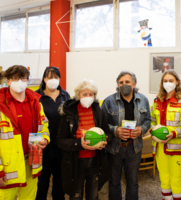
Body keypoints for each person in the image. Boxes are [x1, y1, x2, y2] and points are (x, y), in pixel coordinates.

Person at [0, 65, 50, 200]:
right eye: (15, 78)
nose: (19, 82)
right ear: (8, 81)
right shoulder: (1, 105)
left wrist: (45, 139)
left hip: (32, 162)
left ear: (28, 80)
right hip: (8, 169)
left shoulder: (36, 103)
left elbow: (44, 125)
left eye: (22, 78)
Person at [57, 79, 112, 200]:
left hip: (94, 161)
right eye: (84, 94)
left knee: (93, 195)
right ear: (78, 95)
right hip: (75, 162)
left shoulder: (98, 111)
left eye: (91, 94)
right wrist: (79, 144)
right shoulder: (69, 113)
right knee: (76, 196)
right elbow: (60, 140)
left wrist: (104, 141)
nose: (88, 97)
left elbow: (107, 132)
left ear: (95, 96)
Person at [102, 70, 151, 200]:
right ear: (117, 85)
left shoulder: (143, 100)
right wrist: (115, 130)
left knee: (133, 182)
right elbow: (102, 124)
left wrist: (141, 129)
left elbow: (148, 121)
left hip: (134, 148)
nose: (124, 84)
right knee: (113, 181)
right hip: (114, 148)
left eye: (127, 82)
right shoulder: (108, 101)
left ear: (134, 84)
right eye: (121, 82)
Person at [150, 69, 181, 200]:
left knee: (176, 180)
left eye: (171, 80)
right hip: (160, 147)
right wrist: (153, 130)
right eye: (165, 81)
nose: (168, 83)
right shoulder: (156, 101)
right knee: (164, 179)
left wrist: (174, 134)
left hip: (177, 148)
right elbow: (152, 121)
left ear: (177, 82)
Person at [36, 67, 70, 200]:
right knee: (42, 184)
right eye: (49, 77)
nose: (53, 80)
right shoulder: (36, 96)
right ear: (44, 79)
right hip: (43, 147)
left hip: (61, 147)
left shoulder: (65, 95)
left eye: (56, 77)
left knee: (59, 184)